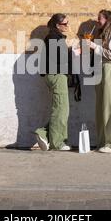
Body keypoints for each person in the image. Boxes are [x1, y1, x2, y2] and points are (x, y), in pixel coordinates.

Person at [35, 13, 78, 151]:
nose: (67, 26)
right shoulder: (53, 37)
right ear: (57, 25)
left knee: (60, 108)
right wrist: (73, 52)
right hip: (56, 75)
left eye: (67, 23)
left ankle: (43, 133)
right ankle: (57, 143)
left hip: (57, 75)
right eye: (65, 24)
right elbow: (58, 59)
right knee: (61, 108)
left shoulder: (56, 37)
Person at [86, 10, 111, 153]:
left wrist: (95, 47)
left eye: (100, 19)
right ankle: (102, 141)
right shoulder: (103, 34)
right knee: (100, 107)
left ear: (107, 20)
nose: (97, 21)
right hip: (101, 68)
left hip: (110, 68)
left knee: (110, 106)